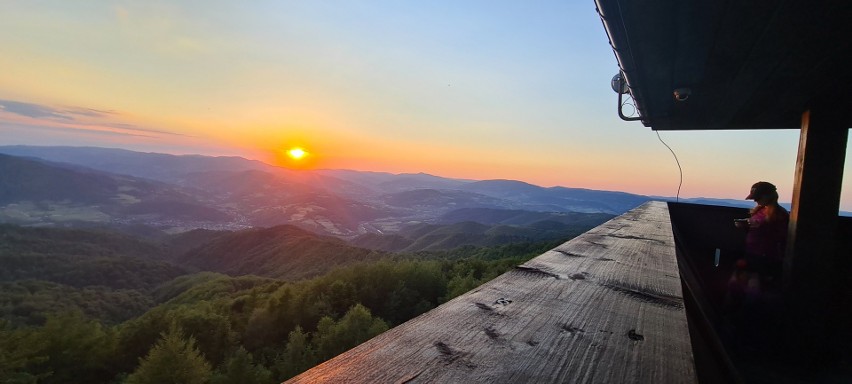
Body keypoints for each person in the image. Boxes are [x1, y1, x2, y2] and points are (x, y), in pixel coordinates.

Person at [733, 181, 789, 289]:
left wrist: (761, 227)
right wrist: (746, 225)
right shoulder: (760, 210)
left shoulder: (780, 214)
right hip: (751, 254)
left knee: (755, 288)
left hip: (766, 258)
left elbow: (782, 237)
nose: (755, 200)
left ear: (768, 196)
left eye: (758, 197)